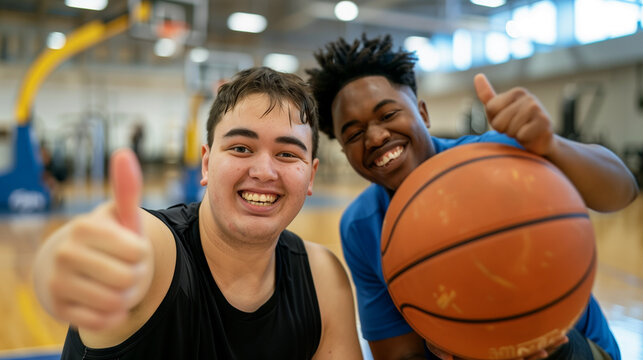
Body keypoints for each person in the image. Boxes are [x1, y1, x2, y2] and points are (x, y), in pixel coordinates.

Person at [306, 34, 639, 360]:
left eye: (389, 115)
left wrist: (551, 144)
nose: (376, 136)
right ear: (345, 150)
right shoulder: (360, 226)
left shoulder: (498, 155)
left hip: (568, 345)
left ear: (422, 113)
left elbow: (624, 191)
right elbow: (399, 352)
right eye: (354, 133)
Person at [33, 66, 363, 359]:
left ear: (311, 175)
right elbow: (121, 248)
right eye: (241, 148)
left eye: (287, 154)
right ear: (206, 163)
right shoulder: (161, 254)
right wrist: (70, 266)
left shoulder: (323, 280)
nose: (264, 171)